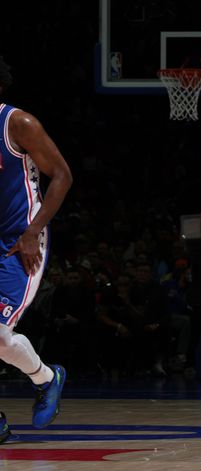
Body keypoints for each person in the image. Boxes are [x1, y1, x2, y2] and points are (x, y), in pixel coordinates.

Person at [0, 56, 72, 443]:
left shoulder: (18, 123)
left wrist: (33, 231)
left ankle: (48, 378)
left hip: (18, 240)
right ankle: (46, 378)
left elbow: (62, 175)